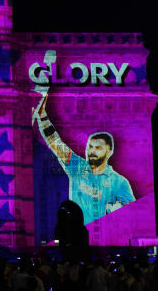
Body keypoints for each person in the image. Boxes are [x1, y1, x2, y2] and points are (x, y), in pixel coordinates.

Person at [34, 93, 135, 224]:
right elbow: (55, 143)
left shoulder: (119, 182)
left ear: (109, 151)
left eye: (98, 148)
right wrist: (42, 116)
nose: (92, 151)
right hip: (76, 237)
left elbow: (134, 214)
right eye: (90, 147)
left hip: (102, 240)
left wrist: (118, 211)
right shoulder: (77, 167)